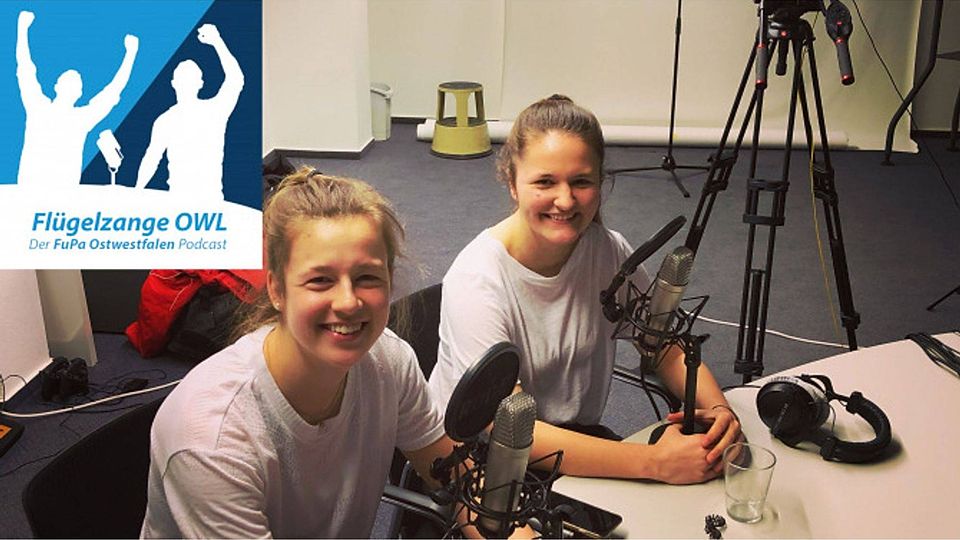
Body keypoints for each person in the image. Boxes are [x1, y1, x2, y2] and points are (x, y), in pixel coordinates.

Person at [428, 95, 742, 485]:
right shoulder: (477, 280)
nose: (565, 200)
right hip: (484, 466)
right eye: (545, 182)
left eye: (581, 182)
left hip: (570, 441)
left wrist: (720, 412)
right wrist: (654, 462)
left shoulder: (606, 249)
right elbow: (507, 429)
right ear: (512, 183)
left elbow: (663, 346)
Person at [141, 169, 455, 538]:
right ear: (276, 289)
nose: (348, 302)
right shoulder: (215, 438)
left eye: (367, 277)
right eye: (320, 280)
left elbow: (452, 477)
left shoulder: (389, 359)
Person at [16, 10, 138, 187]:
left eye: (76, 83)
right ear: (56, 86)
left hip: (64, 193)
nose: (72, 82)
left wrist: (131, 54)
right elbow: (25, 68)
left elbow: (113, 91)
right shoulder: (38, 106)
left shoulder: (81, 118)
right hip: (31, 188)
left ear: (79, 93)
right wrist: (22, 29)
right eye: (68, 80)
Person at [136, 23, 243, 201]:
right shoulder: (165, 120)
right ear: (174, 83)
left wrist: (217, 42)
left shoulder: (214, 110)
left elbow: (236, 79)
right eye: (182, 77)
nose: (186, 82)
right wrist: (137, 191)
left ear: (200, 83)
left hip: (210, 200)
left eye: (191, 77)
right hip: (179, 200)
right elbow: (151, 158)